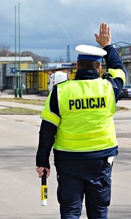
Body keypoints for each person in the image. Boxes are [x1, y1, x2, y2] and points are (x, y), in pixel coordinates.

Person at [36, 22, 126, 219]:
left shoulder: (60, 91)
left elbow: (47, 129)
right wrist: (108, 47)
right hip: (101, 161)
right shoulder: (108, 89)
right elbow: (120, 71)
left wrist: (42, 161)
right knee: (99, 212)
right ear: (99, 67)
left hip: (69, 161)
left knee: (70, 211)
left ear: (77, 66)